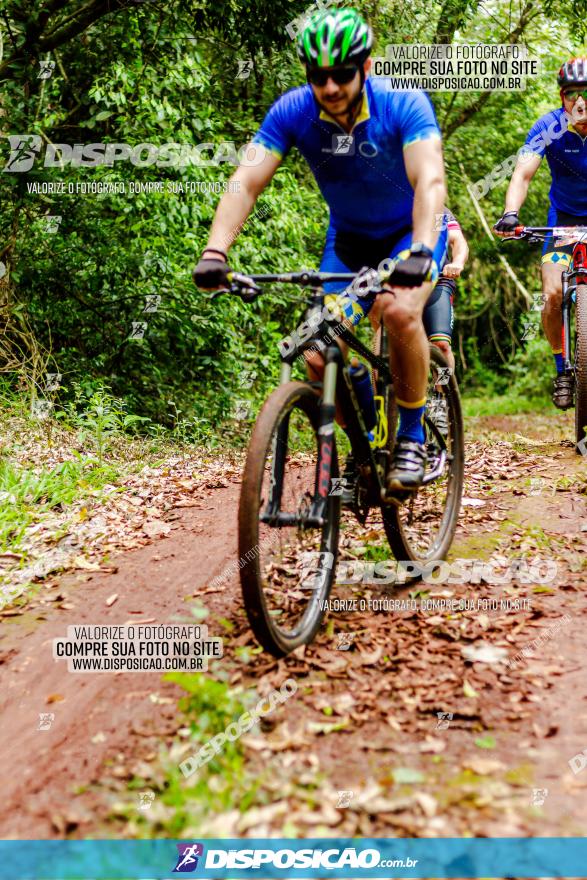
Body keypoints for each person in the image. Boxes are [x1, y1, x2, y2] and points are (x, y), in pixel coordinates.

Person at [193, 8, 447, 492]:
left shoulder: (404, 104)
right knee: (317, 352)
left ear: (366, 67)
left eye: (342, 74)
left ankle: (412, 438)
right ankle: (368, 447)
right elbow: (245, 181)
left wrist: (419, 248)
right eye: (318, 76)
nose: (330, 87)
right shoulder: (292, 112)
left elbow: (430, 180)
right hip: (349, 245)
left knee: (398, 311)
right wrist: (216, 252)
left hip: (408, 236)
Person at [494, 56, 587, 409]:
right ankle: (562, 368)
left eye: (586, 93)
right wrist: (510, 213)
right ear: (562, 96)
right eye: (571, 93)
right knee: (551, 295)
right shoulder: (548, 127)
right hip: (562, 221)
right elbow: (522, 174)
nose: (579, 102)